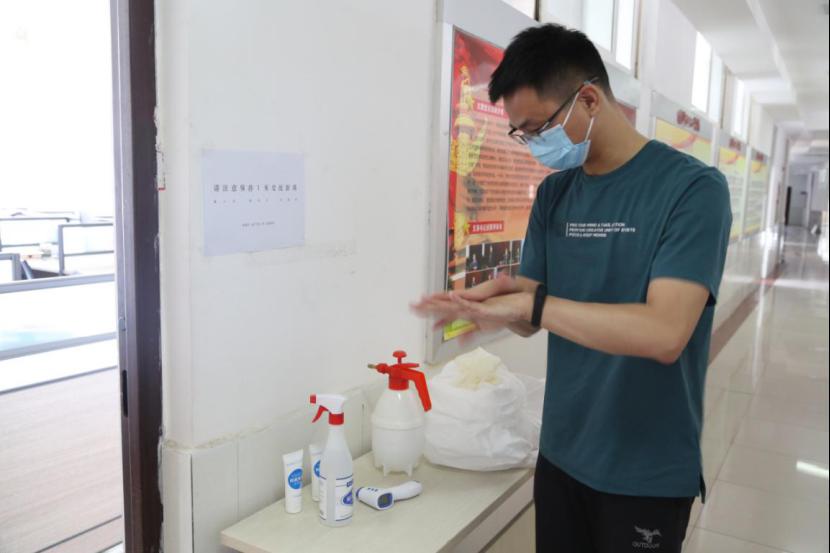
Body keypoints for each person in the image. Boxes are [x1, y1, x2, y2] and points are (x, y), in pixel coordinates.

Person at [412, 23, 731, 553]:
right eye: (522, 133)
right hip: (562, 455)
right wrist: (494, 305)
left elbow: (665, 333)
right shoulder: (556, 194)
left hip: (644, 470)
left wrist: (533, 303)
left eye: (538, 127)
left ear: (588, 99)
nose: (535, 144)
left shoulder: (691, 190)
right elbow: (532, 312)